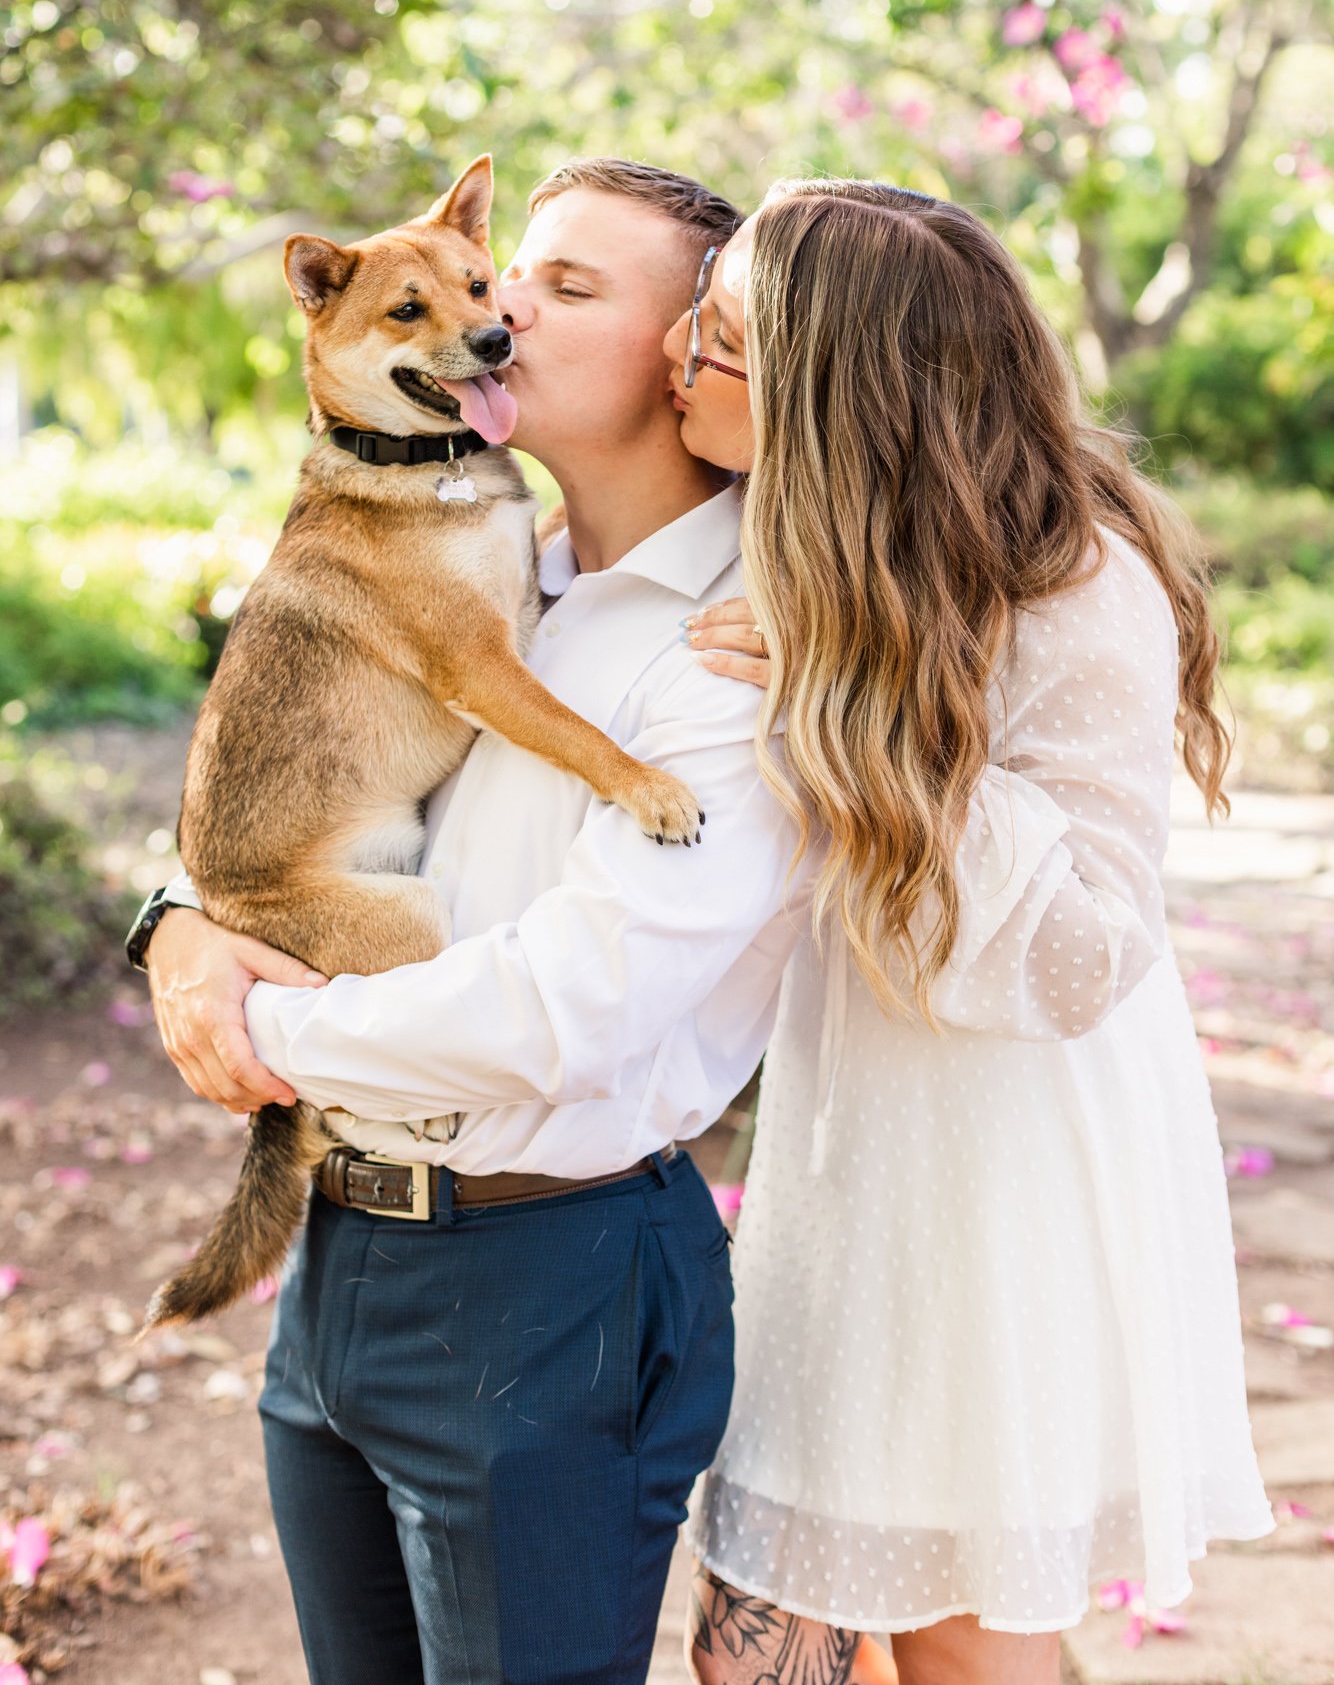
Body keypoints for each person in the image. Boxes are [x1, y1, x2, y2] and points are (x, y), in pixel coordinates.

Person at [134, 159, 872, 1685]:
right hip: (343, 1264)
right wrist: (176, 925)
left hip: (544, 1287)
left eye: (565, 289)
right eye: (508, 271)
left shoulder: (743, 649)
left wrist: (257, 1026)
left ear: (693, 354)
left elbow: (563, 1013)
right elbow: (288, 775)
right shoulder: (485, 561)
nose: (503, 306)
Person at [667, 179, 1273, 1685]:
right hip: (857, 1130)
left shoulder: (1072, 579)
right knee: (782, 1623)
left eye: (725, 335)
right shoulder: (801, 532)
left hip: (997, 1155)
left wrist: (840, 702)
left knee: (948, 1628)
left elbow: (1081, 955)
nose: (680, 350)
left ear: (830, 390)